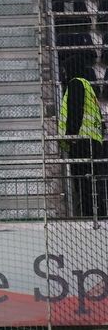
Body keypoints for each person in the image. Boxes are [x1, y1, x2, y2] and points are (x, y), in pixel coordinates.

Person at [57, 55, 107, 218]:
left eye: (65, 69)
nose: (64, 72)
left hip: (82, 142)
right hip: (94, 141)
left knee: (83, 182)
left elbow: (75, 110)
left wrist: (71, 134)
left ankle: (88, 215)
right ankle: (96, 213)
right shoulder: (89, 87)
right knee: (92, 181)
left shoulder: (76, 84)